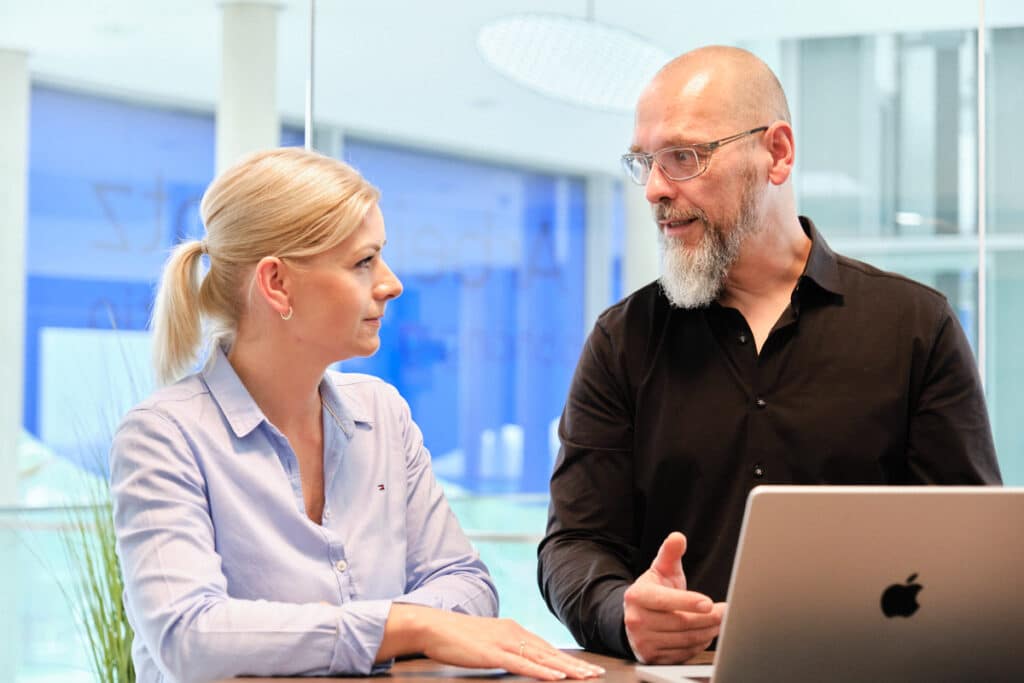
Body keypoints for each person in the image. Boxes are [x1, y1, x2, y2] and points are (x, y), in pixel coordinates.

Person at [537, 46, 1002, 666]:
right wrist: (620, 610)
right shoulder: (623, 340)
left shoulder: (916, 326)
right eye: (644, 162)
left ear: (776, 153)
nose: (654, 189)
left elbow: (970, 545)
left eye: (684, 157)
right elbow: (573, 542)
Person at [110, 148, 605, 683]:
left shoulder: (382, 412)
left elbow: (466, 581)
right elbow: (191, 635)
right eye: (363, 262)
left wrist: (398, 627)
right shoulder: (163, 435)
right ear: (276, 284)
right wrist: (410, 626)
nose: (390, 283)